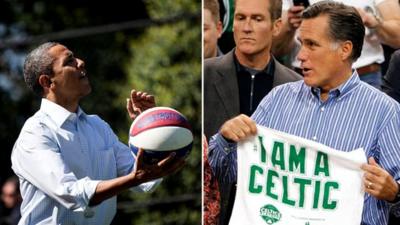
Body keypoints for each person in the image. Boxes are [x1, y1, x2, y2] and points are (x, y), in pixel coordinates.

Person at [208, 2, 400, 225]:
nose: (301, 56)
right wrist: (226, 140)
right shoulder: (277, 100)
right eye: (301, 44)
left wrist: (394, 193)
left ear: (344, 50)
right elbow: (227, 175)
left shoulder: (384, 112)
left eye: (311, 45)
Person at [11, 42, 185, 225]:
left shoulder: (98, 126)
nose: (81, 62)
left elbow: (143, 179)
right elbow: (72, 193)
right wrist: (135, 178)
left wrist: (151, 130)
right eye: (69, 61)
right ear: (47, 82)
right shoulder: (35, 134)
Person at [204, 0, 302, 224]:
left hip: (273, 211)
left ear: (276, 26)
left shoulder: (298, 87)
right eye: (240, 18)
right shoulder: (205, 74)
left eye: (257, 19)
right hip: (218, 210)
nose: (247, 27)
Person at [274, 0, 400, 89]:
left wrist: (372, 21)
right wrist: (288, 28)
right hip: (302, 78)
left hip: (364, 76)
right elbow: (275, 50)